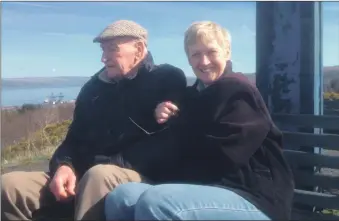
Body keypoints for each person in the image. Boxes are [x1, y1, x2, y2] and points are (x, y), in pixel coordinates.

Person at [104, 21, 295, 220]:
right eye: (196, 54)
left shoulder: (240, 94)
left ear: (226, 52)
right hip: (207, 191)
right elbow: (176, 141)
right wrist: (166, 116)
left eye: (211, 52)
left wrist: (177, 127)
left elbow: (222, 158)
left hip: (253, 197)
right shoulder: (192, 97)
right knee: (122, 197)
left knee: (157, 203)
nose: (204, 62)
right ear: (188, 59)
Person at [1, 20, 187, 221]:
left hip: (136, 177)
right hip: (84, 174)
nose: (103, 58)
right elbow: (73, 139)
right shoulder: (93, 88)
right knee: (10, 185)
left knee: (98, 176)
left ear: (139, 49)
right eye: (102, 50)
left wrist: (95, 167)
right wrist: (64, 166)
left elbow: (165, 146)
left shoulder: (165, 78)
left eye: (112, 50)